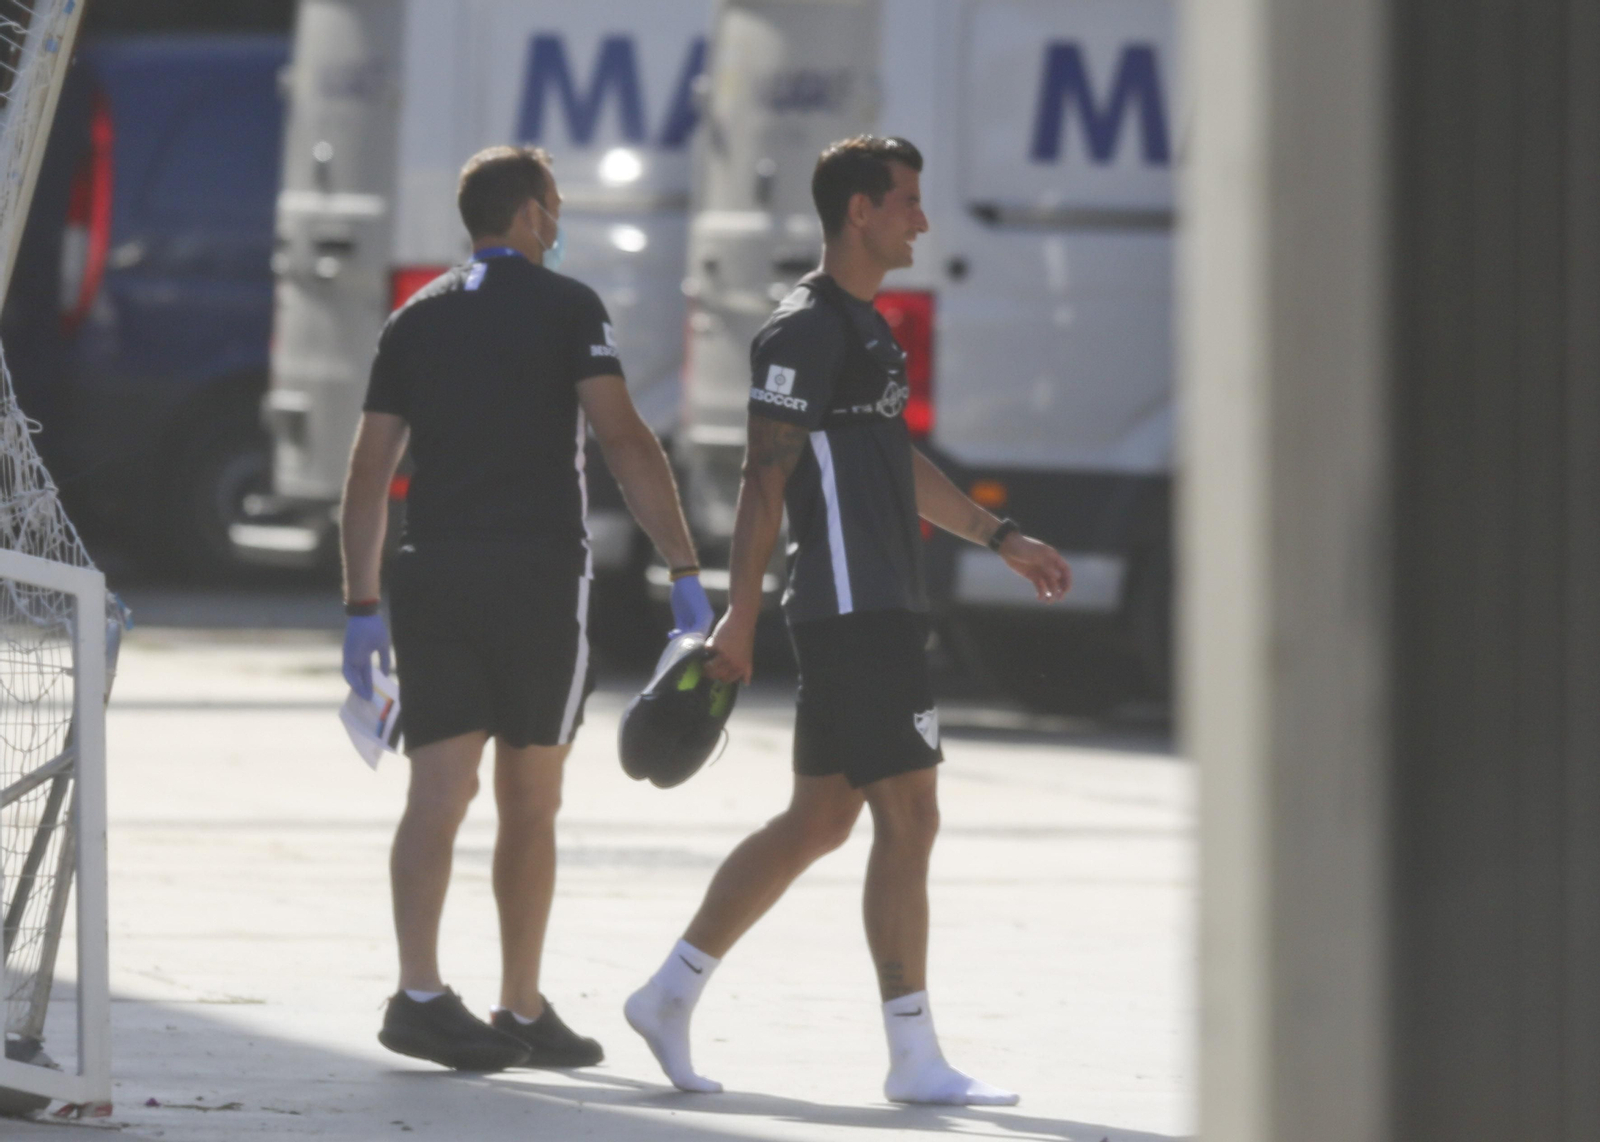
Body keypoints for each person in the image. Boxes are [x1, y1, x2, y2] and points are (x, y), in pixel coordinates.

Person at [623, 136, 1072, 1105]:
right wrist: (739, 615)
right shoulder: (800, 330)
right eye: (906, 201)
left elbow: (892, 460)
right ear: (859, 212)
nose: (919, 218)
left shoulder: (869, 330)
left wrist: (1000, 535)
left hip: (881, 597)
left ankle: (667, 992)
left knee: (821, 817)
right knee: (910, 812)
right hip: (847, 602)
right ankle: (912, 1053)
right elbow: (762, 476)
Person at [340, 145, 712, 1072]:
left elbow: (368, 471)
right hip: (539, 578)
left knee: (439, 789)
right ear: (535, 214)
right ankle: (519, 1003)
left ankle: (420, 992)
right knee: (530, 798)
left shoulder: (413, 315)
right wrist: (685, 566)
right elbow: (624, 440)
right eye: (554, 206)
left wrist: (359, 605)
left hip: (432, 574)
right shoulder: (568, 306)